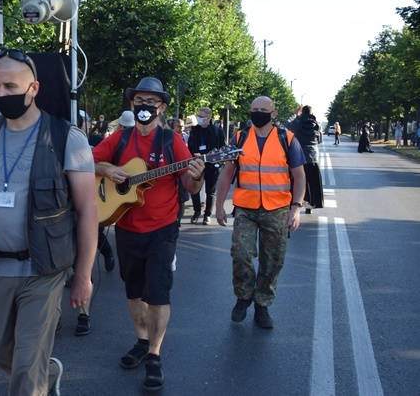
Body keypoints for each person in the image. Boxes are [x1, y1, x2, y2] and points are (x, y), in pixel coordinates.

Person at [0, 48, 98, 396]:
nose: (0, 94)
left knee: (26, 362)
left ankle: (36, 377)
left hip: (44, 270)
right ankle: (46, 375)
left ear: (33, 88)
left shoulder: (67, 137)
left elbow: (88, 210)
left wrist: (83, 277)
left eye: (9, 87)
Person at [91, 77, 205, 392]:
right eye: (140, 101)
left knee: (158, 292)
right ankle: (141, 341)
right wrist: (106, 170)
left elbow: (190, 184)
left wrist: (197, 177)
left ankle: (154, 354)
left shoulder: (172, 141)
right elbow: (87, 160)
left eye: (151, 103)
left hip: (163, 229)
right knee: (133, 291)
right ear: (132, 105)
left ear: (162, 108)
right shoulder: (120, 138)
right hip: (127, 226)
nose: (145, 107)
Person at [214, 96, 306, 329]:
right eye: (254, 109)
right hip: (245, 208)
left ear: (274, 114)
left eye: (263, 110)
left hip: (277, 209)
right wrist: (219, 205)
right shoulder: (240, 138)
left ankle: (262, 304)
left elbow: (299, 176)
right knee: (241, 253)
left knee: (273, 260)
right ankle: (243, 297)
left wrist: (295, 208)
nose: (258, 113)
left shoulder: (288, 139)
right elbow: (227, 173)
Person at [187, 106, 227, 225]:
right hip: (197, 164)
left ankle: (207, 215)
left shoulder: (217, 131)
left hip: (212, 165)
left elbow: (222, 149)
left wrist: (219, 164)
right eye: (198, 116)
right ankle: (196, 212)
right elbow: (190, 145)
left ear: (208, 117)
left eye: (201, 116)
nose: (198, 118)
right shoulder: (194, 130)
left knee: (211, 191)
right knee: (195, 190)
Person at [285, 105, 324, 215]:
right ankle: (309, 206)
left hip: (298, 156)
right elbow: (320, 140)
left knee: (296, 180)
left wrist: (294, 114)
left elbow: (286, 123)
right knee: (311, 182)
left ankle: (293, 203)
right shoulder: (318, 125)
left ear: (302, 112)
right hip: (313, 156)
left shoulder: (297, 123)